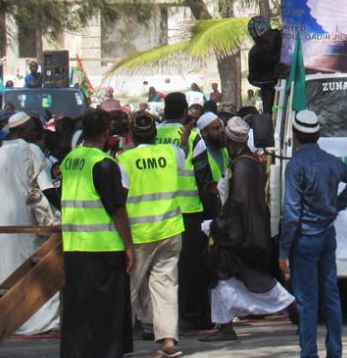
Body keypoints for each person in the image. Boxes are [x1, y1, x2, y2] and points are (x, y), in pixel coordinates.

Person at [279, 110, 347, 358]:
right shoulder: (331, 161)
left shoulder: (296, 165)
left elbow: (292, 212)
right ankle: (335, 352)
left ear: (295, 135)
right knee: (330, 297)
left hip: (304, 238)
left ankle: (309, 353)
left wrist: (284, 250)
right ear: (318, 135)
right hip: (327, 235)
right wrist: (336, 205)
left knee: (307, 301)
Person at [203, 117, 296, 343]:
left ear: (231, 140)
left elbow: (239, 202)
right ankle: (224, 325)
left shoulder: (243, 165)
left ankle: (294, 308)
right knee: (221, 277)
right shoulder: (244, 161)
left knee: (256, 280)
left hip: (239, 234)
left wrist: (219, 225)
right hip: (242, 231)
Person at [60, 109, 135, 358]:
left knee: (78, 308)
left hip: (74, 245)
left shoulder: (70, 159)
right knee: (107, 311)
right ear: (106, 133)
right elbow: (117, 209)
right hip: (103, 246)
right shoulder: (104, 164)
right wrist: (129, 246)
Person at [117, 112, 186, 358]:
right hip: (169, 229)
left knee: (129, 289)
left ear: (131, 135)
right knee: (166, 286)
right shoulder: (172, 153)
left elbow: (121, 197)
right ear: (155, 133)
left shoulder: (124, 159)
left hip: (139, 233)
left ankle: (118, 342)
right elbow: (183, 154)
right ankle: (168, 341)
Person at [0, 112, 60, 334]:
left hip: (4, 226)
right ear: (20, 130)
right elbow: (47, 189)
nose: (35, 133)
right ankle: (40, 321)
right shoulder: (31, 150)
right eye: (31, 129)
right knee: (39, 272)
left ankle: (5, 318)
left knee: (6, 269)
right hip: (28, 225)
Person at [157, 94, 214, 331]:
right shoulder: (192, 138)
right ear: (185, 113)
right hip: (189, 212)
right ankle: (193, 318)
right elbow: (203, 178)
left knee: (161, 272)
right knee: (191, 269)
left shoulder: (153, 136)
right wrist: (211, 215)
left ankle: (161, 321)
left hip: (159, 211)